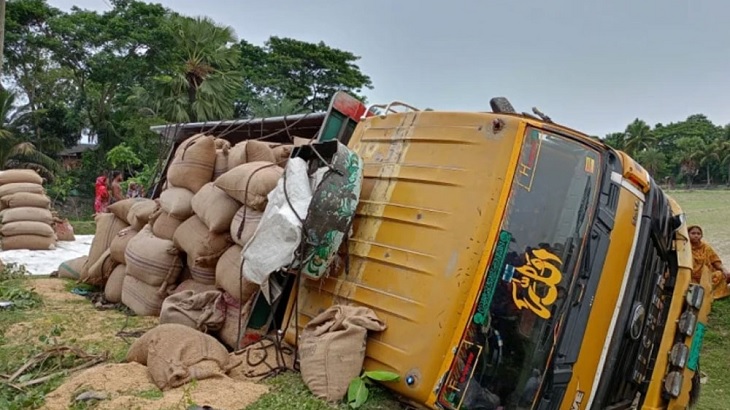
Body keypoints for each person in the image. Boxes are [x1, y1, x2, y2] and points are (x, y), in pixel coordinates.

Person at [688, 225, 730, 300]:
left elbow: (715, 261)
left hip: (707, 276)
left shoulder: (706, 247)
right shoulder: (684, 248)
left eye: (698, 234)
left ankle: (709, 294)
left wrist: (724, 269)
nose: (696, 236)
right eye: (693, 233)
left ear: (701, 235)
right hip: (691, 278)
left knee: (720, 274)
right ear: (687, 234)